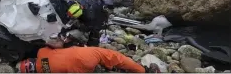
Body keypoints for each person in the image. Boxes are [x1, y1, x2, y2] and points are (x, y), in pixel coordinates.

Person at [15, 44, 146, 73]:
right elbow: (56, 44)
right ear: (30, 60)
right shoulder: (42, 52)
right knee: (114, 56)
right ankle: (141, 70)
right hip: (83, 55)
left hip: (81, 69)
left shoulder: (46, 72)